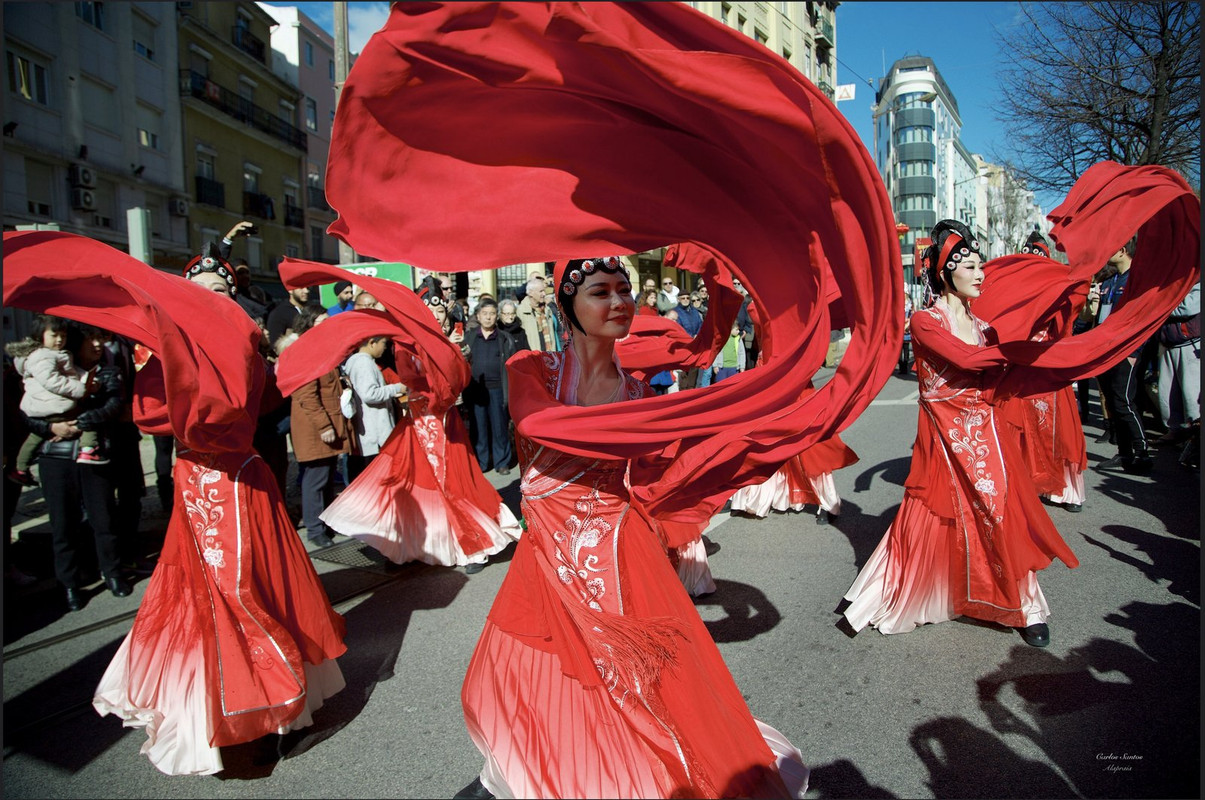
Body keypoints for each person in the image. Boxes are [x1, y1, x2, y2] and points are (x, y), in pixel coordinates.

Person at [456, 257, 807, 799]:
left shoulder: (641, 396)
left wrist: (737, 422)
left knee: (642, 682)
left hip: (622, 551)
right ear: (567, 304)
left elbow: (659, 467)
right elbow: (535, 423)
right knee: (557, 672)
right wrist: (679, 416)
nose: (619, 301)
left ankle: (628, 776)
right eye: (600, 291)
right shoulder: (532, 369)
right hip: (549, 554)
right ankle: (556, 773)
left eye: (625, 289)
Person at [5, 230, 348, 775]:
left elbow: (255, 404)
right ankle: (228, 711)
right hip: (198, 482)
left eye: (221, 288)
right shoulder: (163, 351)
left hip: (240, 482)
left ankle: (273, 706)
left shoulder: (243, 344)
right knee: (206, 597)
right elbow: (147, 414)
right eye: (202, 288)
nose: (213, 296)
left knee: (253, 589)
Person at [843, 220, 1080, 649]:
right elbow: (967, 361)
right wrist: (1016, 354)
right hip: (943, 440)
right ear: (945, 272)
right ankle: (910, 588)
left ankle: (1026, 608)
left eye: (980, 266)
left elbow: (996, 375)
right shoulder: (925, 321)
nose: (979, 274)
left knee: (1000, 514)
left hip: (987, 438)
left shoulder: (987, 328)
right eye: (969, 266)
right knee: (934, 516)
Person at [276, 263, 523, 574]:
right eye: (429, 311)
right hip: (417, 425)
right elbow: (409, 380)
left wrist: (443, 374)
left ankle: (474, 546)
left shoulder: (452, 344)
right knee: (404, 484)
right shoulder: (406, 344)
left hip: (445, 427)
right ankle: (404, 547)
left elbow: (452, 385)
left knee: (454, 485)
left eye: (440, 311)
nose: (436, 316)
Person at [18, 322, 130, 610]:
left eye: (101, 338)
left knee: (104, 519)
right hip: (55, 457)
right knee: (62, 524)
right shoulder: (49, 372)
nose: (97, 345)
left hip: (94, 455)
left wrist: (78, 423)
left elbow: (112, 406)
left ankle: (113, 572)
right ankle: (69, 583)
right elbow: (28, 415)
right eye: (91, 339)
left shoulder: (107, 372)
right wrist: (51, 426)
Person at [6, 314, 105, 483]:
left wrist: (88, 380)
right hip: (52, 405)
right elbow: (52, 381)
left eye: (63, 336)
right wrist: (80, 388)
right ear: (40, 335)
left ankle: (20, 468)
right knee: (87, 418)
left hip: (49, 406)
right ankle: (88, 448)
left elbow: (72, 371)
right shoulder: (42, 357)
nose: (59, 340)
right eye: (54, 335)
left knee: (34, 439)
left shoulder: (55, 354)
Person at [288, 307, 350, 549]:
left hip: (327, 423)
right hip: (315, 427)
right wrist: (324, 425)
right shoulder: (306, 351)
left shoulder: (323, 348)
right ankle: (315, 528)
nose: (327, 325)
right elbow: (306, 394)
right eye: (321, 321)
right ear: (308, 324)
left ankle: (326, 522)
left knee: (325, 476)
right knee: (315, 478)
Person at [1094, 239, 1153, 473]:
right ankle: (1125, 454)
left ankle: (1143, 453)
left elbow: (1144, 319)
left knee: (1123, 402)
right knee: (1112, 402)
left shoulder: (1137, 280)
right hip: (1105, 351)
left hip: (1126, 351)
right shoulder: (1109, 281)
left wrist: (1135, 352)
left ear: (1122, 250)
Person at [463, 298, 524, 474]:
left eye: (491, 314)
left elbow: (512, 365)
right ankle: (482, 462)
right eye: (485, 314)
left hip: (498, 389)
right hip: (476, 389)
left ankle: (502, 462)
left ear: (496, 316)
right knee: (479, 427)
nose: (488, 317)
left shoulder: (505, 338)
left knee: (499, 427)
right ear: (478, 316)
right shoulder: (470, 337)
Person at [343, 333, 406, 481]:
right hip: (373, 430)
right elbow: (369, 394)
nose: (384, 348)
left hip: (371, 428)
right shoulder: (364, 363)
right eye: (383, 343)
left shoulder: (358, 361)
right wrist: (397, 388)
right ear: (372, 343)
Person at [1154, 279, 1200, 446]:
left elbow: (1187, 307)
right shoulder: (1173, 281)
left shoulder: (1197, 282)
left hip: (1189, 344)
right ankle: (1174, 430)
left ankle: (1194, 435)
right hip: (1168, 343)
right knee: (1166, 392)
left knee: (1191, 393)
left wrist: (1162, 306)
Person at [515, 274, 553, 351]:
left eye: (544, 291)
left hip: (550, 357)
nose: (544, 294)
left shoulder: (547, 309)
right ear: (531, 293)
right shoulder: (521, 311)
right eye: (541, 291)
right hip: (532, 357)